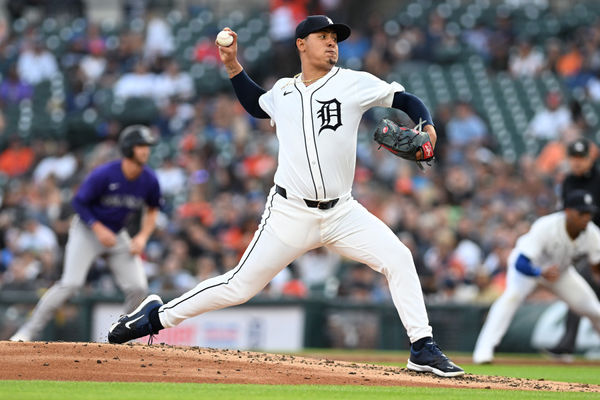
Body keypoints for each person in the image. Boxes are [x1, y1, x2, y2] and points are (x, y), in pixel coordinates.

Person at [108, 15, 464, 378]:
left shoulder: (354, 83)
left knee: (399, 258)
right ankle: (155, 316)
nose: (331, 43)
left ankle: (422, 347)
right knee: (237, 286)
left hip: (343, 213)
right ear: (300, 44)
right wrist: (232, 65)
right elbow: (255, 103)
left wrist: (429, 130)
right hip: (289, 212)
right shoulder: (283, 91)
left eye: (334, 38)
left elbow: (407, 99)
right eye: (322, 36)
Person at [10, 125, 162, 342]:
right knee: (71, 284)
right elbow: (79, 203)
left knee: (138, 287)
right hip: (88, 229)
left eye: (147, 146)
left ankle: (120, 336)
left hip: (117, 234)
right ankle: (27, 332)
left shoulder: (149, 179)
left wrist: (142, 236)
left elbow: (153, 209)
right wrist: (99, 229)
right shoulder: (106, 173)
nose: (146, 150)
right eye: (141, 145)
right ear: (128, 148)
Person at [472, 190, 600, 364]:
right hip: (529, 269)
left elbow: (596, 267)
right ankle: (484, 351)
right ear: (568, 212)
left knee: (594, 309)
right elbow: (521, 263)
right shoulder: (546, 226)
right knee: (511, 298)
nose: (587, 217)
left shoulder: (592, 233)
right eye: (582, 212)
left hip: (560, 274)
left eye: (589, 213)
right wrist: (539, 273)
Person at [544, 138, 600, 361]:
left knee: (584, 285)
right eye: (573, 158)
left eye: (581, 158)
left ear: (590, 157)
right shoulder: (567, 181)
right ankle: (567, 343)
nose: (577, 163)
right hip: (580, 242)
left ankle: (567, 343)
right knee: (577, 287)